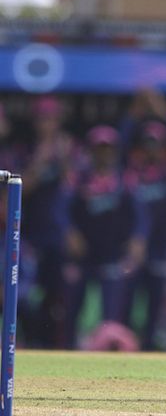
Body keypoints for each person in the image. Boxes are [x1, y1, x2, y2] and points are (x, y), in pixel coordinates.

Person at [64, 125, 147, 348]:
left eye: (108, 149)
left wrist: (139, 239)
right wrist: (69, 231)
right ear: (91, 151)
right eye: (99, 149)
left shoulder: (125, 179)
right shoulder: (78, 179)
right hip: (83, 255)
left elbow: (140, 215)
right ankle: (68, 350)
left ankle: (109, 353)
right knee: (73, 308)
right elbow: (60, 210)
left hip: (113, 253)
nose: (104, 153)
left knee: (111, 311)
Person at [122, 120, 166, 350]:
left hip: (163, 247)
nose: (152, 148)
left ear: (164, 146)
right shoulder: (132, 172)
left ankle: (149, 345)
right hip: (135, 246)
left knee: (156, 303)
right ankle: (125, 345)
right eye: (148, 143)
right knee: (127, 300)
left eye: (157, 143)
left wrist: (163, 112)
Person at [23, 96, 79, 348]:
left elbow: (75, 189)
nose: (47, 123)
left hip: (58, 233)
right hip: (29, 234)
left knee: (58, 297)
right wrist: (40, 159)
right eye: (43, 118)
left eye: (52, 118)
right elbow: (19, 191)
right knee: (28, 294)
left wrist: (64, 159)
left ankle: (54, 345)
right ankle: (30, 342)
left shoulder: (68, 148)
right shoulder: (25, 149)